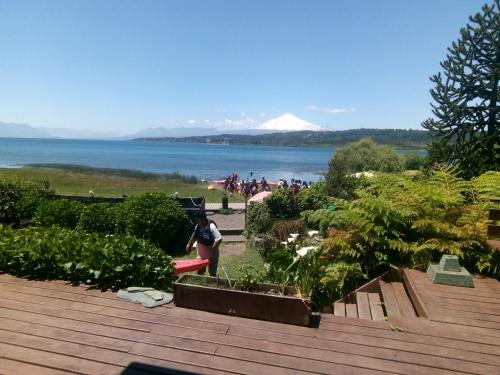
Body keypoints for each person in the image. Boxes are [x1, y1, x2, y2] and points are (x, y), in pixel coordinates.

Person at [185, 211, 222, 277]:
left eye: (197, 220)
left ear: (203, 219)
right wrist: (189, 244)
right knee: (200, 271)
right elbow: (194, 234)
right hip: (201, 254)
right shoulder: (198, 226)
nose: (196, 222)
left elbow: (219, 239)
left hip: (212, 255)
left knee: (212, 273)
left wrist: (211, 251)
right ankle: (201, 284)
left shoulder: (211, 226)